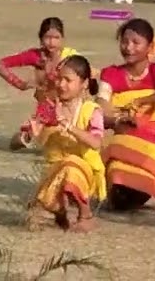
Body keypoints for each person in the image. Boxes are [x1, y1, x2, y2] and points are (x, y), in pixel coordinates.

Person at [98, 19, 155, 212]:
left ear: (149, 47)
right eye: (124, 42)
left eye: (136, 43)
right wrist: (118, 120)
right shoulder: (111, 74)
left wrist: (143, 101)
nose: (128, 48)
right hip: (126, 136)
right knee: (120, 199)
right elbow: (101, 107)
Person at [26, 55, 106, 232]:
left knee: (71, 166)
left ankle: (85, 215)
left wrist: (68, 125)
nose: (61, 85)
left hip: (85, 173)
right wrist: (29, 136)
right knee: (33, 218)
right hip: (54, 171)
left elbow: (96, 143)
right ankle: (59, 211)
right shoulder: (48, 107)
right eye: (59, 79)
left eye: (68, 80)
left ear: (84, 83)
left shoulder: (92, 111)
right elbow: (16, 142)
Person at [0, 17, 78, 150]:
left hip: (70, 108)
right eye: (47, 37)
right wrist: (19, 84)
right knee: (19, 143)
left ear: (62, 39)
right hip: (46, 110)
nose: (52, 42)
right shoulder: (35, 57)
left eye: (56, 37)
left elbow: (89, 76)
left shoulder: (71, 57)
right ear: (41, 38)